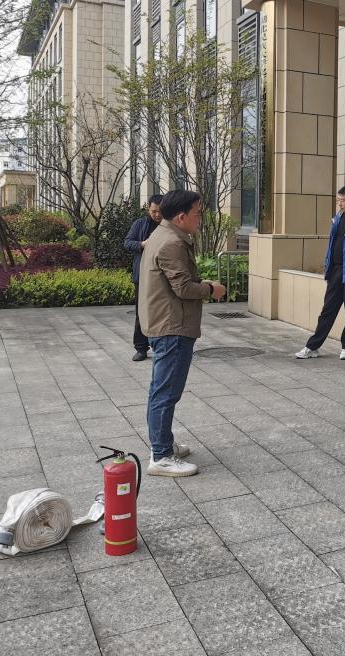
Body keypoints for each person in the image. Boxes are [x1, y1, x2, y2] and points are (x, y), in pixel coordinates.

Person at [140, 190, 226, 477]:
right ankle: (161, 456)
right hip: (172, 327)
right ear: (180, 217)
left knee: (161, 390)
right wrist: (211, 289)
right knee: (166, 393)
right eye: (197, 213)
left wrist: (201, 283)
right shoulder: (172, 242)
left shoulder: (163, 235)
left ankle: (162, 444)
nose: (200, 219)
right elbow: (183, 288)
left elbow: (177, 281)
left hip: (165, 322)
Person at [295, 186, 345, 360]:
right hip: (336, 271)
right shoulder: (338, 218)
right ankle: (312, 346)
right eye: (338, 200)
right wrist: (328, 268)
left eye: (342, 200)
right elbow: (332, 244)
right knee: (327, 310)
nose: (339, 203)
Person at [124, 194, 163, 361]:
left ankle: (161, 346)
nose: (157, 214)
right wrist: (142, 244)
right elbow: (127, 242)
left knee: (163, 313)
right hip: (143, 276)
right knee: (142, 312)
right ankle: (141, 348)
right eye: (154, 211)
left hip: (164, 276)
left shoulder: (170, 225)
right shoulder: (140, 224)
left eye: (160, 211)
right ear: (148, 209)